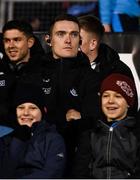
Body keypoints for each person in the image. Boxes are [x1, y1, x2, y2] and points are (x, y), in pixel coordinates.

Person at [44, 14, 100, 176]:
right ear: (49, 40)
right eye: (61, 34)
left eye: (74, 35)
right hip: (37, 157)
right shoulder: (33, 74)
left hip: (77, 160)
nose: (68, 40)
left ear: (80, 41)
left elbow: (94, 121)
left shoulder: (92, 78)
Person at [71, 73, 140, 179]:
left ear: (128, 103)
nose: (110, 101)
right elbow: (80, 172)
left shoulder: (136, 134)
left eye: (118, 96)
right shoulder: (90, 133)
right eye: (106, 96)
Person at [0, 83, 66, 179]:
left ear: (44, 111)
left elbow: (52, 173)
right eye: (21, 108)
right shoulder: (6, 139)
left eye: (33, 108)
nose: (26, 113)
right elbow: (4, 173)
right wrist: (18, 140)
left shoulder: (53, 139)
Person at [78, 14, 138, 116]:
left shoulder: (118, 70)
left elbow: (130, 110)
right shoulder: (62, 66)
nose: (70, 42)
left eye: (78, 39)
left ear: (92, 44)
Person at [0, 19, 49, 135]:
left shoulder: (45, 72)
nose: (11, 46)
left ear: (30, 42)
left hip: (36, 139)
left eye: (17, 40)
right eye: (7, 41)